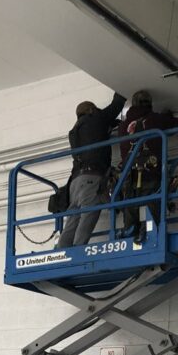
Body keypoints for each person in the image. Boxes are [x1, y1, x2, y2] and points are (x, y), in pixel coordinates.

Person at [56, 92, 127, 248]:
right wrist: (122, 84)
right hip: (91, 177)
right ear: (91, 110)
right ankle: (78, 250)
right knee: (90, 211)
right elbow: (116, 106)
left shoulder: (75, 131)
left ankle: (62, 251)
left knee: (73, 217)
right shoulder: (95, 118)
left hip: (75, 181)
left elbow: (94, 137)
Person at [118, 90, 178, 243]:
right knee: (151, 204)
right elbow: (174, 124)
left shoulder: (123, 126)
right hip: (150, 172)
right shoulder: (155, 119)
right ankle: (149, 231)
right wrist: (167, 115)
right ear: (149, 104)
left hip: (129, 175)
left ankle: (130, 232)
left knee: (130, 204)